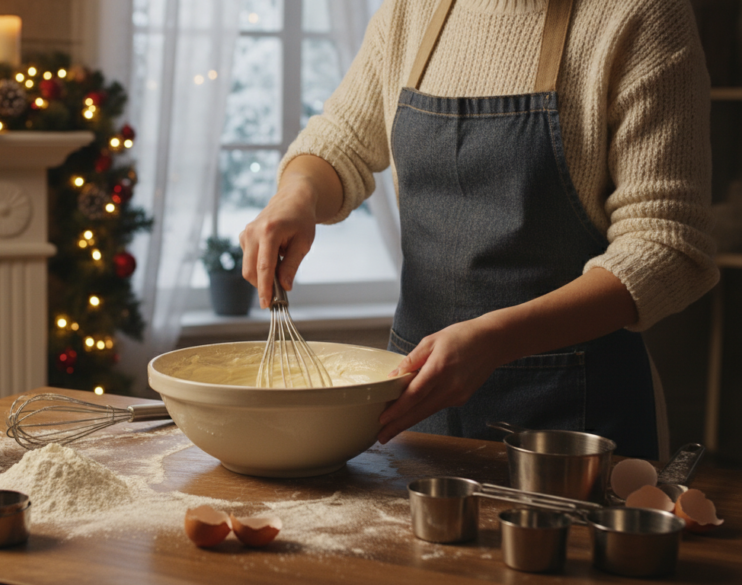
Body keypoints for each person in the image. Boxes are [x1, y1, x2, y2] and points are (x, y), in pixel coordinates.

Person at [237, 0, 719, 460]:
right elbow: (340, 140)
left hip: (574, 426)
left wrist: (496, 340)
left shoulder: (641, 15)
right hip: (416, 404)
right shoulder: (411, 11)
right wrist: (297, 193)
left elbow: (667, 244)